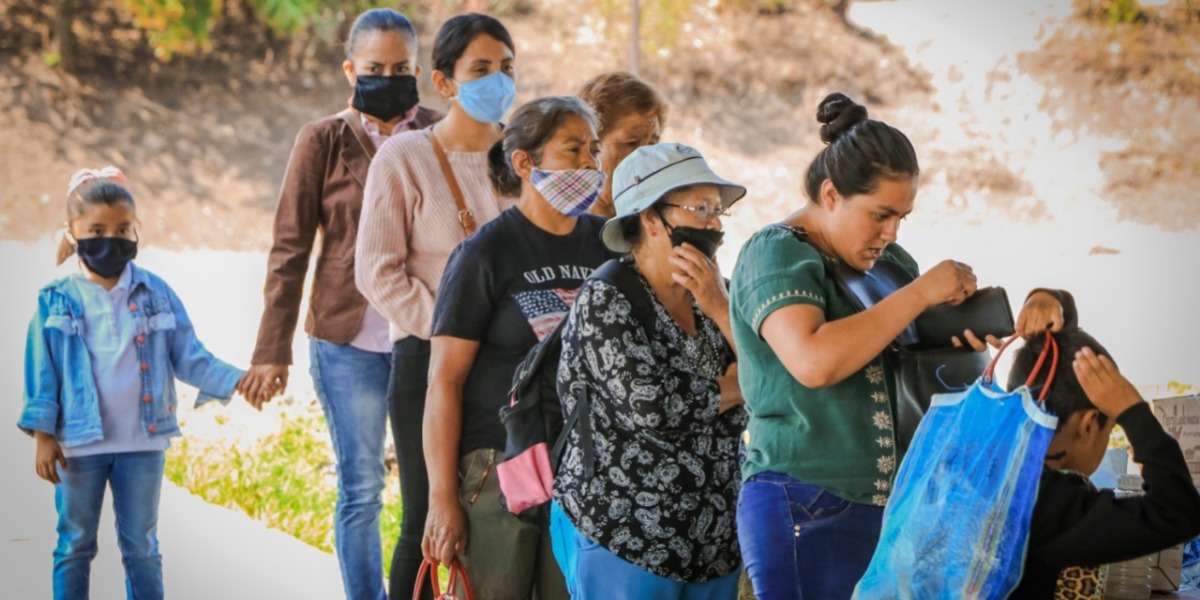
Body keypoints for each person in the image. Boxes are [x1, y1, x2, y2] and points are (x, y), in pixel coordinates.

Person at [728, 93, 983, 599]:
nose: (889, 233)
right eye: (880, 215)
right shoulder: (775, 252)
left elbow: (903, 350)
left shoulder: (891, 264)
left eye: (901, 219)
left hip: (891, 506)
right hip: (806, 502)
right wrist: (921, 293)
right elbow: (814, 360)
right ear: (829, 194)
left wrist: (962, 330)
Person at [241, 9, 441, 599]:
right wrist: (270, 351)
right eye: (375, 68)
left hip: (423, 336)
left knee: (426, 488)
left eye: (400, 68)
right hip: (345, 339)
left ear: (419, 71)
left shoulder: (439, 134)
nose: (388, 77)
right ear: (351, 70)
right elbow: (289, 248)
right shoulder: (321, 140)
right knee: (360, 485)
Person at [19, 167, 248, 600]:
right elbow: (40, 371)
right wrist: (43, 436)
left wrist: (239, 380)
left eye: (123, 229)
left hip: (142, 445)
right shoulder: (55, 299)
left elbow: (190, 355)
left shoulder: (156, 292)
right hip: (77, 448)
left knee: (142, 547)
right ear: (72, 232)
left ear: (135, 230)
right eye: (96, 229)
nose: (111, 238)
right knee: (74, 544)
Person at [354, 13, 516, 599]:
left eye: (505, 68)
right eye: (481, 69)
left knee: (509, 514)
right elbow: (377, 270)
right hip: (428, 365)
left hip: (517, 371)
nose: (497, 81)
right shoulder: (404, 157)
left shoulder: (522, 160)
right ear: (443, 82)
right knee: (429, 519)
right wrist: (455, 333)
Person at [421, 96, 608, 599]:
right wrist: (443, 498)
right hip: (498, 465)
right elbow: (444, 381)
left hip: (583, 468)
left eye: (594, 150)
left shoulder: (608, 246)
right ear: (525, 163)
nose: (591, 165)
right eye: (573, 151)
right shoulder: (484, 253)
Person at [551, 142, 748, 599]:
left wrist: (720, 309)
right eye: (700, 209)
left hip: (715, 543)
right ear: (650, 219)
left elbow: (777, 382)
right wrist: (737, 384)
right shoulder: (607, 298)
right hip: (625, 538)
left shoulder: (722, 292)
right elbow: (656, 411)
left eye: (718, 211)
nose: (715, 224)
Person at [1007, 293, 1200, 597]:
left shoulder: (990, 471)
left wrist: (1047, 298)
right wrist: (1132, 413)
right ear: (1087, 424)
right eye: (1110, 426)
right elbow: (1179, 512)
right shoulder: (1050, 505)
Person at [576, 71, 668, 218]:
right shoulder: (558, 225)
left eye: (652, 144)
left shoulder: (656, 225)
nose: (645, 158)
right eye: (631, 143)